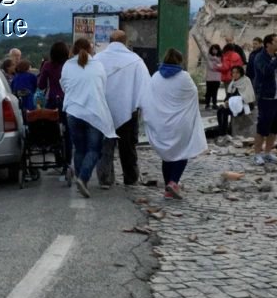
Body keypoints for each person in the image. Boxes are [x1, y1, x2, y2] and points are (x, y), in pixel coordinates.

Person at [141, 48, 207, 200]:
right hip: (180, 122)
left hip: (161, 122)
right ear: (180, 61)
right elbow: (193, 94)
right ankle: (173, 182)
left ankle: (168, 187)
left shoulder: (156, 76)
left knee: (167, 155)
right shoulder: (184, 77)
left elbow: (148, 96)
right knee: (182, 152)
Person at [60, 38, 116, 198]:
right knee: (94, 149)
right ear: (91, 49)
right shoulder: (98, 65)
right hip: (94, 112)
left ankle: (80, 178)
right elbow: (102, 88)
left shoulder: (67, 66)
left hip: (73, 111)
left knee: (80, 149)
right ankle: (83, 179)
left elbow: (65, 86)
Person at [94, 30, 150, 188]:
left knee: (105, 146)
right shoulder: (135, 61)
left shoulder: (98, 59)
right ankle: (130, 178)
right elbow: (145, 86)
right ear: (126, 42)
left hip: (103, 109)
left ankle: (105, 179)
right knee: (128, 147)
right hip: (128, 110)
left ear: (110, 41)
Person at [252, 33, 277, 166]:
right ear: (268, 44)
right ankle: (257, 154)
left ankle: (268, 152)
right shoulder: (260, 57)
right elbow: (266, 71)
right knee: (263, 127)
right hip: (266, 97)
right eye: (276, 42)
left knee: (275, 127)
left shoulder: (276, 57)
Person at [37, 41, 72, 170]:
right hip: (68, 101)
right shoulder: (70, 65)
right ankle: (67, 161)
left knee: (53, 131)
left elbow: (41, 85)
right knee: (68, 133)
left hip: (53, 101)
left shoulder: (47, 65)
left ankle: (57, 158)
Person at [216, 66, 256, 136]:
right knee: (220, 110)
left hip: (245, 105)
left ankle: (223, 133)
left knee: (224, 111)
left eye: (237, 72)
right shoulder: (233, 83)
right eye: (233, 73)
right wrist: (227, 102)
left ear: (241, 73)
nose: (235, 74)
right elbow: (228, 96)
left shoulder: (246, 81)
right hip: (234, 105)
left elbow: (248, 96)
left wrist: (233, 102)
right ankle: (221, 132)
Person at [204, 44, 222, 109]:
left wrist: (216, 62)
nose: (214, 51)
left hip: (217, 78)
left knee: (215, 92)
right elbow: (211, 67)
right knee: (208, 92)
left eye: (216, 49)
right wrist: (217, 64)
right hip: (209, 78)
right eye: (213, 49)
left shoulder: (221, 57)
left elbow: (222, 66)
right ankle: (207, 104)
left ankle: (214, 104)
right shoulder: (209, 57)